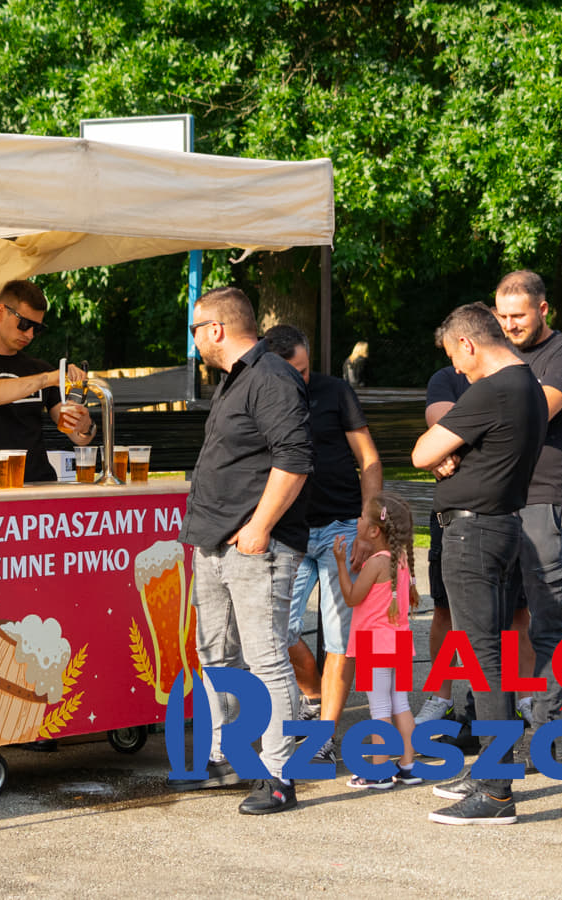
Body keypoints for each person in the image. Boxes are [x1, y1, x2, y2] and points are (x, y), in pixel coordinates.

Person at [179, 286, 312, 815]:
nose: (193, 340)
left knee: (266, 658)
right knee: (216, 655)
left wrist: (260, 526)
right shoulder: (235, 379)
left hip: (256, 545)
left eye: (195, 329)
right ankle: (228, 758)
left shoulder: (271, 376)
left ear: (215, 329)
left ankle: (280, 776)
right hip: (213, 540)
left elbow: (294, 459)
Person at [411, 303, 546, 826]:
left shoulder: (492, 389)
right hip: (500, 526)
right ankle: (491, 769)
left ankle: (495, 790)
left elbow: (423, 452)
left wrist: (445, 451)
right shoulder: (527, 383)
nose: (456, 367)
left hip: (474, 533)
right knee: (492, 652)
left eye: (455, 356)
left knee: (482, 655)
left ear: (468, 344)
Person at [264, 325, 383, 765]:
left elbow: (368, 458)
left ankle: (324, 737)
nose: (302, 378)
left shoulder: (334, 391)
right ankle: (313, 697)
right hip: (289, 531)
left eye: (305, 368)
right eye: (292, 371)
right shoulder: (261, 394)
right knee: (278, 630)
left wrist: (368, 521)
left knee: (340, 639)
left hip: (342, 528)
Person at [492, 271, 562, 731]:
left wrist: (475, 423)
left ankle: (548, 724)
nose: (509, 325)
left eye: (518, 315)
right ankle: (498, 717)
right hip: (496, 498)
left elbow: (537, 411)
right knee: (495, 617)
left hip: (545, 498)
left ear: (543, 309)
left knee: (546, 620)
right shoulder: (497, 351)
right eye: (502, 316)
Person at [0, 279, 95, 483]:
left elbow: (77, 436)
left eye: (36, 328)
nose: (29, 334)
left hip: (40, 485)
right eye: (24, 324)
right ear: (0, 312)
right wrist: (47, 379)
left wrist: (84, 426)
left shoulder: (40, 368)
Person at [336, 493, 423, 790]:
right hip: (400, 643)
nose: (357, 520)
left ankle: (378, 771)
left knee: (379, 709)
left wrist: (340, 564)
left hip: (374, 645)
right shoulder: (401, 560)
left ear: (374, 530)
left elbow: (351, 598)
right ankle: (408, 765)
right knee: (400, 703)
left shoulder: (376, 563)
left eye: (362, 517)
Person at [412, 364, 469, 727]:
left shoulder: (515, 373)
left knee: (514, 614)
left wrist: (448, 448)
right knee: (444, 609)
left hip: (507, 509)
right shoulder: (446, 378)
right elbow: (440, 427)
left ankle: (512, 700)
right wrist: (440, 451)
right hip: (451, 510)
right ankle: (441, 697)